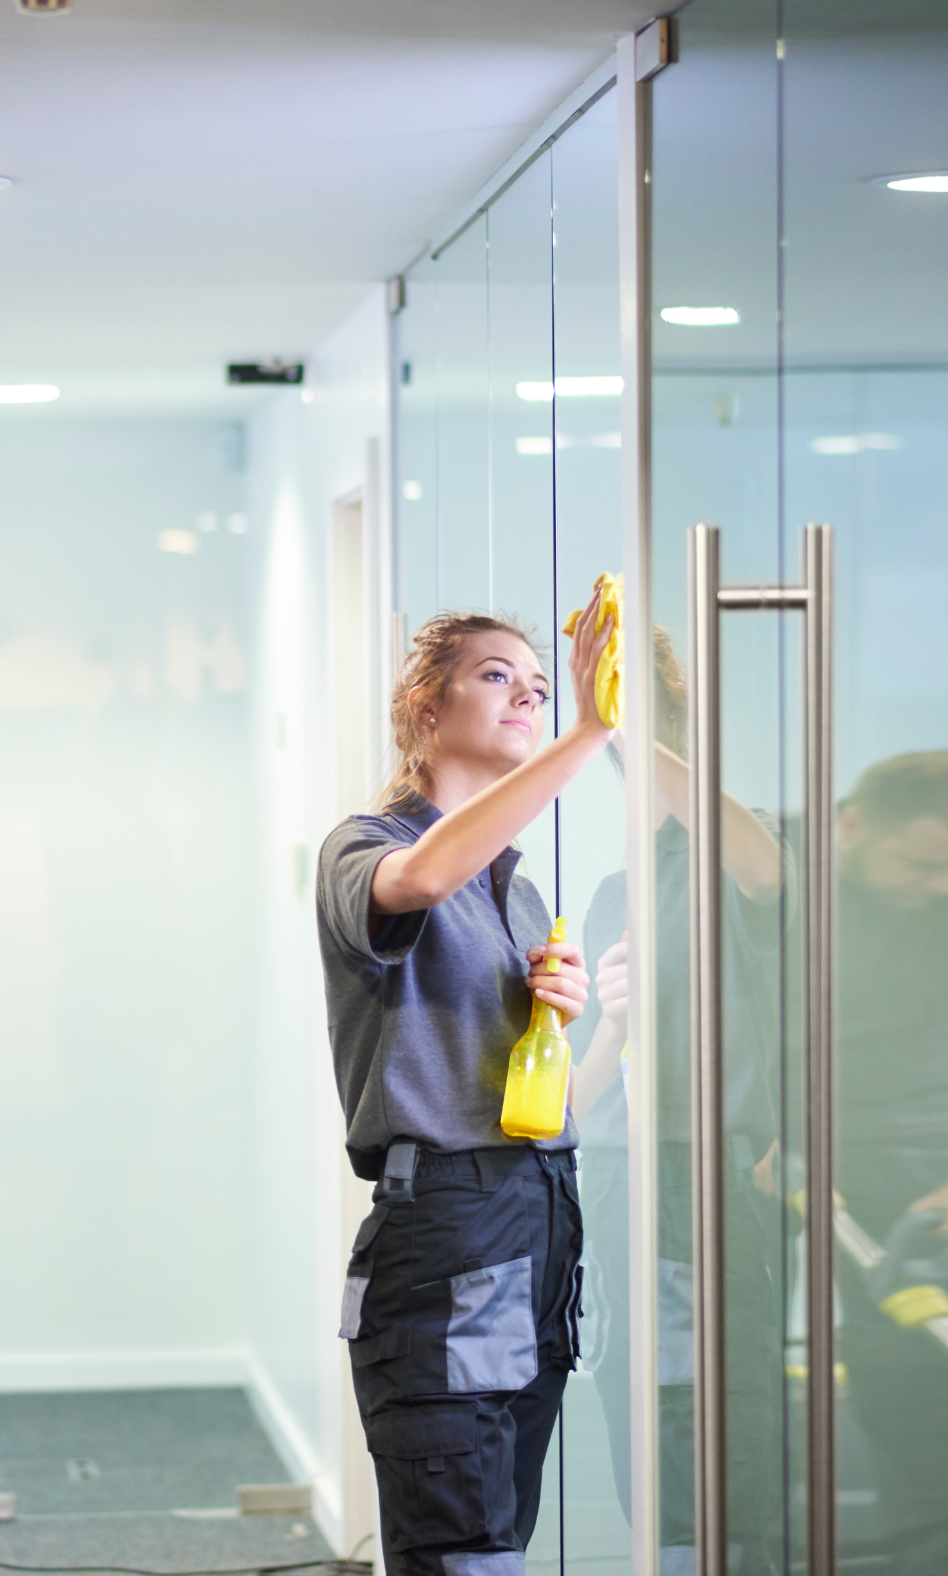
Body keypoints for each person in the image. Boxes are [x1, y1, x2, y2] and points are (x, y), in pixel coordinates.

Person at [316, 602, 613, 1576]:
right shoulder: (364, 846)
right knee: (460, 1546)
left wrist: (558, 1019)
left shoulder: (515, 891)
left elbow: (530, 1089)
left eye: (539, 685)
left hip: (538, 1213)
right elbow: (418, 880)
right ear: (424, 706)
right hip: (449, 1226)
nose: (526, 693)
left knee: (498, 1537)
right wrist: (585, 733)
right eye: (496, 675)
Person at [564, 628, 789, 1576]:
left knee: (721, 1411)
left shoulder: (735, 851)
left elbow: (764, 867)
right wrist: (613, 1023)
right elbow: (577, 1096)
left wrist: (621, 719)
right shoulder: (613, 892)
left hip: (710, 1177)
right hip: (621, 1178)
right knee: (640, 1410)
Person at [832, 751, 948, 1572]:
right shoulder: (780, 876)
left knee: (911, 1365)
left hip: (911, 1151)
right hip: (775, 1145)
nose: (940, 884)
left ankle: (930, 1550)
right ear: (851, 827)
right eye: (920, 865)